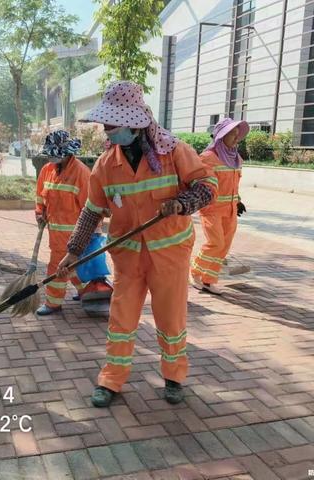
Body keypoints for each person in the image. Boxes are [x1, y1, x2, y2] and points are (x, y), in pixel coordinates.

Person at [57, 81, 218, 406]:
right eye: (106, 124)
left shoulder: (174, 152)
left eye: (112, 125)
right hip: (128, 259)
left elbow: (207, 184)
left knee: (171, 319)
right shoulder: (106, 165)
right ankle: (111, 381)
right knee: (121, 320)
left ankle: (174, 377)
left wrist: (182, 203)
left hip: (170, 254)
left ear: (133, 124)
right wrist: (72, 252)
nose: (107, 130)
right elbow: (92, 212)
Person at [35, 130, 112, 316]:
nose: (51, 159)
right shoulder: (47, 170)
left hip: (76, 237)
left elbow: (93, 208)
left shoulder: (82, 174)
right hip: (55, 233)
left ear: (67, 153)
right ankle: (84, 291)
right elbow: (40, 196)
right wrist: (39, 212)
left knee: (58, 268)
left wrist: (92, 234)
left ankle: (52, 303)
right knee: (75, 266)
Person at [191, 118, 250, 295]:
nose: (235, 138)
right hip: (212, 209)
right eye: (231, 134)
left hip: (230, 209)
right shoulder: (207, 158)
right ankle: (195, 271)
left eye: (236, 135)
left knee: (224, 246)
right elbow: (203, 184)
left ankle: (209, 280)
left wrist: (238, 200)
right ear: (221, 136)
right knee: (215, 243)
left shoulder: (236, 158)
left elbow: (233, 184)